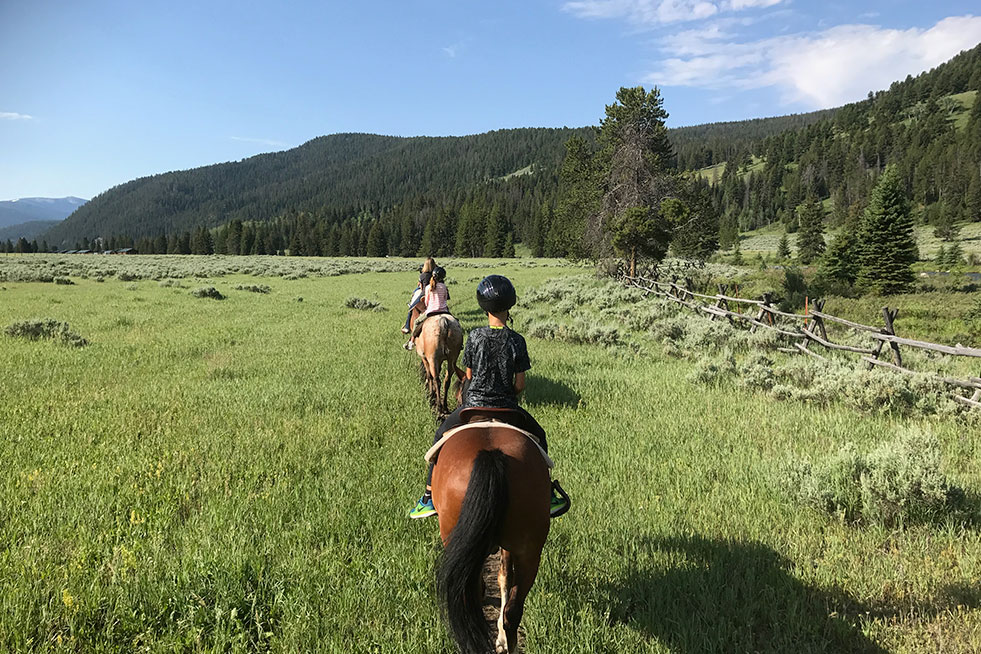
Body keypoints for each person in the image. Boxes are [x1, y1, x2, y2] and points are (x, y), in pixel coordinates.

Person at [409, 274, 569, 519]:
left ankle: (428, 497)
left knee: (440, 437)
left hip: (473, 407)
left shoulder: (474, 336)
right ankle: (548, 494)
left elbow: (469, 376)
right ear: (510, 305)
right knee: (540, 437)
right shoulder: (517, 341)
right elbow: (520, 385)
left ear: (484, 307)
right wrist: (507, 392)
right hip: (507, 407)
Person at [405, 265, 450, 350]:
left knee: (417, 322)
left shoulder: (428, 287)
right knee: (455, 322)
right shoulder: (444, 287)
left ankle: (412, 341)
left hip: (431, 311)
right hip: (444, 311)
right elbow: (445, 299)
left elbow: (426, 302)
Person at [401, 258, 436, 336]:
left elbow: (421, 287)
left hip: (424, 295)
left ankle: (407, 327)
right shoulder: (436, 275)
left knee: (411, 308)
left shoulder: (423, 275)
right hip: (435, 295)